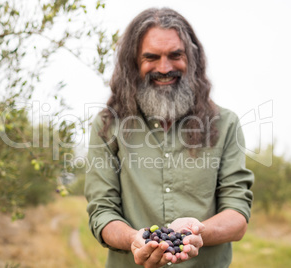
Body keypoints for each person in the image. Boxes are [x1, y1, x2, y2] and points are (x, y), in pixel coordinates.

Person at [85, 7, 254, 268]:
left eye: (175, 55)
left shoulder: (225, 124)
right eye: (151, 57)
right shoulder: (108, 126)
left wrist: (197, 233)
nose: (164, 68)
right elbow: (102, 210)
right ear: (133, 64)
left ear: (192, 59)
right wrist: (134, 239)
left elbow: (237, 214)